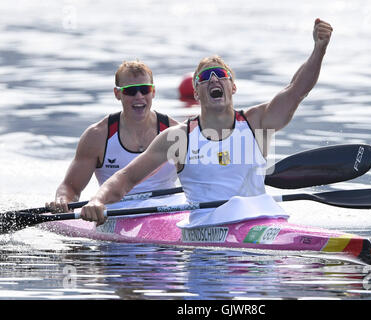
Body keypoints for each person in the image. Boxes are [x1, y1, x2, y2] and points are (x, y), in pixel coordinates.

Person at [80, 18, 333, 226]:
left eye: (221, 75)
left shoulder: (257, 122)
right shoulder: (177, 138)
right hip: (206, 236)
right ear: (197, 92)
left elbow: (297, 89)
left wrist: (319, 49)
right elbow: (125, 179)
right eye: (205, 77)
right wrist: (98, 201)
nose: (214, 80)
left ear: (232, 86)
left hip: (264, 222)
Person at [46, 60, 180, 213]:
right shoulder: (97, 136)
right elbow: (71, 187)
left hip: (167, 212)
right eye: (130, 91)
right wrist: (62, 200)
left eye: (145, 89)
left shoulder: (175, 132)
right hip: (117, 213)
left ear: (153, 92)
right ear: (117, 94)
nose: (139, 96)